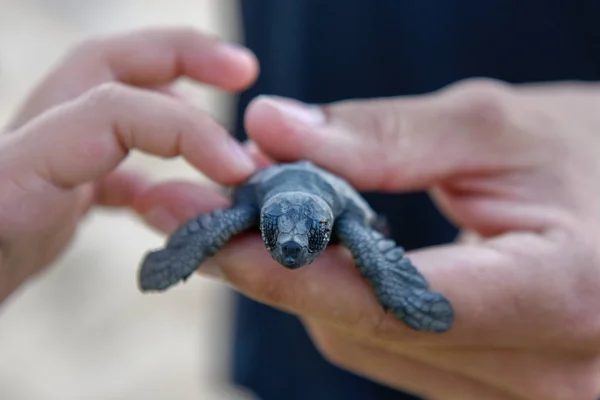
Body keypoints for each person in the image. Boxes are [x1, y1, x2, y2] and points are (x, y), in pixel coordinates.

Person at [0, 23, 599, 400]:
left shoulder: (342, 221)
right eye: (277, 235)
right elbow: (225, 224)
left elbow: (364, 237)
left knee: (390, 293)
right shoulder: (257, 209)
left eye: (303, 238)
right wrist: (176, 255)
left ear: (324, 226)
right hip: (311, 34)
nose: (290, 249)